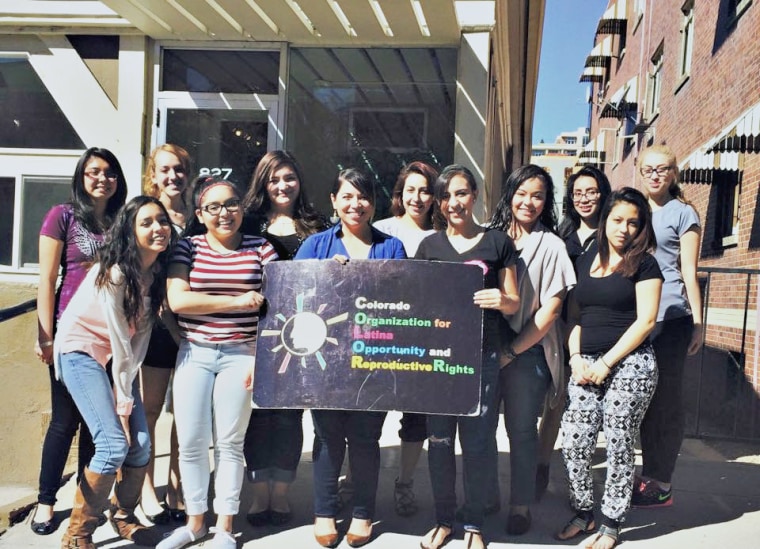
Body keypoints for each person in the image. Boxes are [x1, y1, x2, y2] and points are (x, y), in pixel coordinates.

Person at [159, 176, 278, 549]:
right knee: (192, 441)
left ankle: (224, 528)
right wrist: (239, 301)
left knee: (230, 443)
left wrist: (263, 357)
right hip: (194, 352)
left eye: (231, 204)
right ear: (200, 214)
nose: (224, 213)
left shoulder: (262, 248)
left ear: (242, 208)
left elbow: (277, 307)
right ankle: (195, 523)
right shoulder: (186, 248)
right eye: (213, 207)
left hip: (242, 354)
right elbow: (178, 301)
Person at [294, 168, 407, 548]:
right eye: (347, 196)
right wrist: (329, 275)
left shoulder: (390, 247)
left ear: (373, 203)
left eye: (362, 197)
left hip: (374, 359)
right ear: (333, 201)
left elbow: (405, 303)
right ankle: (324, 511)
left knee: (365, 437)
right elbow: (294, 295)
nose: (355, 205)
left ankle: (362, 513)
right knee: (327, 437)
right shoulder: (316, 246)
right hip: (325, 359)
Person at [55, 195, 176, 549]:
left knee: (139, 445)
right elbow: (121, 339)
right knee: (111, 444)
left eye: (162, 221)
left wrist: (125, 389)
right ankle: (77, 534)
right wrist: (124, 400)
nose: (158, 228)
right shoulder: (116, 272)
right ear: (130, 231)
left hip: (115, 359)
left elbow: (137, 344)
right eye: (147, 223)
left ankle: (122, 516)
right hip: (80, 351)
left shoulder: (155, 274)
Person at [416, 164, 520, 549]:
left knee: (478, 444)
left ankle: (475, 524)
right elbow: (417, 306)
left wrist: (501, 300)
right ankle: (444, 520)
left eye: (460, 193)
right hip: (439, 358)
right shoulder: (429, 247)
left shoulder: (497, 243)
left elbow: (514, 303)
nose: (453, 202)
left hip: (482, 357)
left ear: (474, 195)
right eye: (445, 196)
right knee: (440, 442)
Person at [556, 187, 663, 549]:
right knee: (574, 441)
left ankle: (611, 523)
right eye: (617, 220)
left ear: (642, 227)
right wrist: (574, 360)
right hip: (584, 363)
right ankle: (584, 511)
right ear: (605, 222)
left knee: (619, 440)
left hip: (630, 362)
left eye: (634, 223)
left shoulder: (645, 263)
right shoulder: (585, 261)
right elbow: (574, 318)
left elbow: (646, 321)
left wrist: (606, 363)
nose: (624, 229)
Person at [31, 147, 127, 536]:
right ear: (81, 177)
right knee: (64, 422)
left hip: (112, 336)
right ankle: (45, 501)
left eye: (109, 172)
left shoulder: (123, 221)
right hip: (71, 334)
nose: (101, 178)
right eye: (93, 172)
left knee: (97, 426)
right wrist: (45, 336)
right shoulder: (63, 216)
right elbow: (47, 278)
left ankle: (85, 500)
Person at [240, 150, 327, 527]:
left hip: (305, 335)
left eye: (289, 178)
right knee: (258, 416)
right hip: (255, 333)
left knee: (290, 418)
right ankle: (259, 496)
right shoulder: (247, 223)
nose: (282, 186)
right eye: (274, 179)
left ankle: (282, 494)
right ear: (263, 183)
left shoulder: (316, 225)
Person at [489, 164, 576, 535]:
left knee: (521, 431)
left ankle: (520, 504)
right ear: (510, 195)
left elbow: (551, 311)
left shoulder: (552, 246)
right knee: (480, 429)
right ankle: (486, 494)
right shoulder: (489, 238)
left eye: (537, 195)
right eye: (522, 193)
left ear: (546, 202)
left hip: (529, 352)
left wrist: (512, 351)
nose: (528, 201)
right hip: (484, 350)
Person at [535, 166, 612, 500]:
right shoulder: (561, 233)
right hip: (558, 327)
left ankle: (579, 480)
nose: (584, 198)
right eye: (578, 192)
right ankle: (540, 468)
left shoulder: (613, 233)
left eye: (591, 191)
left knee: (587, 410)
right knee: (554, 404)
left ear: (603, 193)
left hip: (595, 330)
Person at [633, 145, 703, 507]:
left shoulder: (683, 213)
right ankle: (642, 475)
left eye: (662, 169)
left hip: (671, 317)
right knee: (639, 398)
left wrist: (698, 322)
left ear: (674, 172)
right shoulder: (634, 210)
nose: (655, 175)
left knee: (666, 400)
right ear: (640, 172)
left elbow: (689, 271)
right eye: (648, 170)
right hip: (635, 317)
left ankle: (660, 481)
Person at [370, 161, 439, 517]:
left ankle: (405, 484)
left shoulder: (442, 234)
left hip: (423, 342)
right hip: (380, 338)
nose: (417, 197)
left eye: (425, 190)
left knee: (416, 420)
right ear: (400, 193)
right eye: (410, 189)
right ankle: (355, 482)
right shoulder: (380, 230)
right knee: (370, 415)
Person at [139, 144, 192, 524]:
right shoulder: (145, 214)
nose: (172, 176)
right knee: (150, 410)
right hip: (155, 327)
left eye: (179, 170)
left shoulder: (196, 217)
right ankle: (145, 490)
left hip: (192, 327)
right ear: (153, 174)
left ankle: (177, 488)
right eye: (165, 170)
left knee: (184, 414)